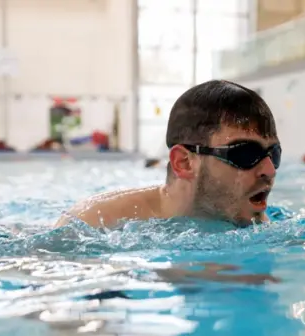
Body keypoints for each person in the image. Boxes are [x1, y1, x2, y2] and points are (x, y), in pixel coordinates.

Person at [55, 80, 280, 230]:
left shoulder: (254, 220)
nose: (269, 170)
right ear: (184, 162)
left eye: (273, 154)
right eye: (245, 153)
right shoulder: (94, 222)